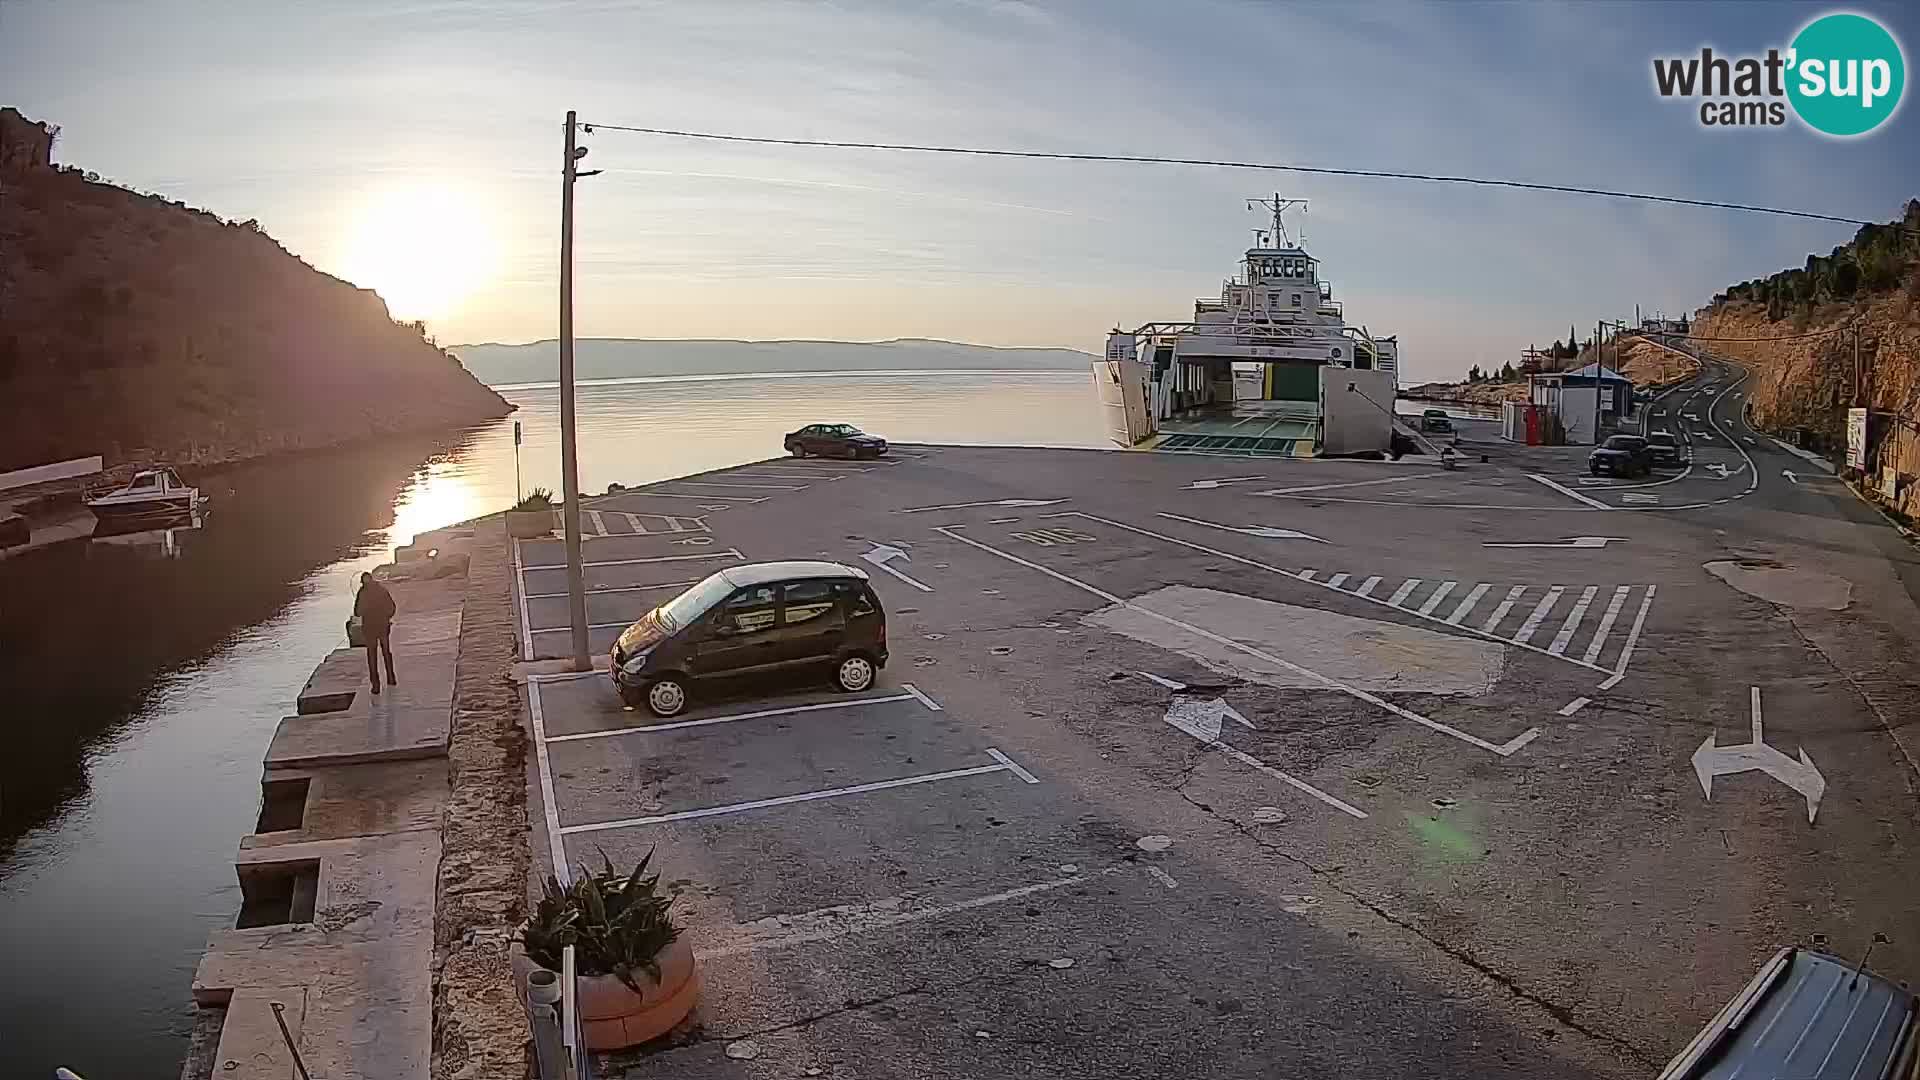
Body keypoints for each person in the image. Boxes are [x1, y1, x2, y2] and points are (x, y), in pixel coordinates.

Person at [354, 572, 397, 694]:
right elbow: (392, 607)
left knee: (372, 657)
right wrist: (387, 617)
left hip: (369, 629)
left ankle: (376, 686)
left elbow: (357, 612)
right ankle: (391, 678)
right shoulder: (382, 590)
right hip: (383, 626)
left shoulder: (362, 593)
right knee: (386, 652)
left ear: (363, 582)